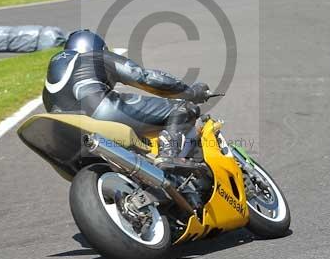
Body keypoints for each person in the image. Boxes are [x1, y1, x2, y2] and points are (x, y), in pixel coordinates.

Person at [42, 30, 210, 167]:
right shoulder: (95, 56)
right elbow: (145, 77)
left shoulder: (49, 84)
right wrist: (191, 92)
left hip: (64, 136)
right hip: (101, 111)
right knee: (183, 108)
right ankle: (169, 155)